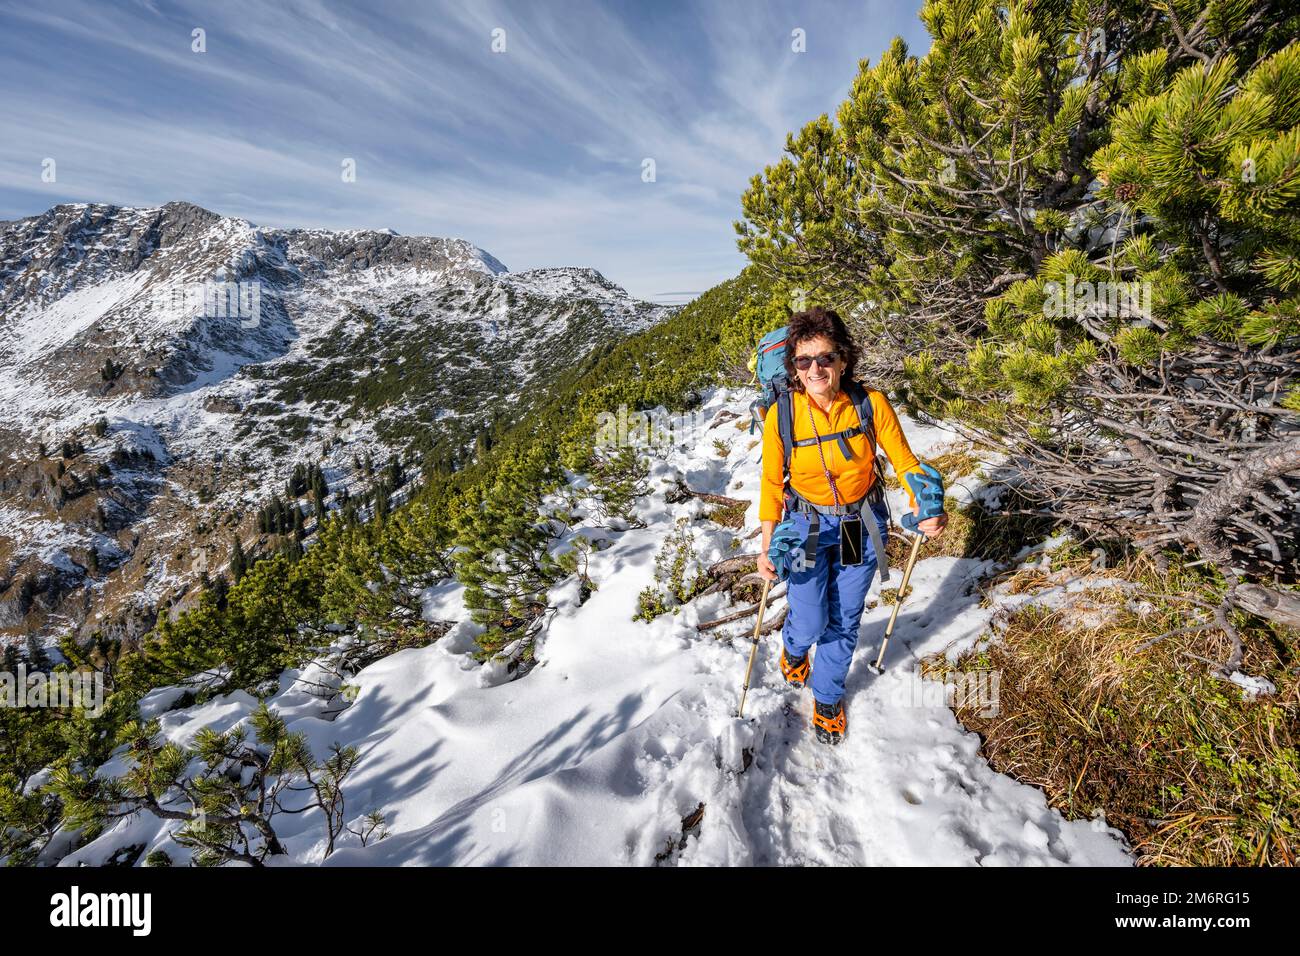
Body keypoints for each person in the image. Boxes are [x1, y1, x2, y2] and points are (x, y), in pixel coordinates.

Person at [756, 307, 947, 744]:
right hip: (804, 524)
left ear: (844, 359)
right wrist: (767, 545)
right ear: (794, 368)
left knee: (843, 618)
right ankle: (795, 646)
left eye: (825, 358)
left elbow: (905, 462)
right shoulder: (781, 416)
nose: (815, 369)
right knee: (807, 616)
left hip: (855, 524)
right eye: (804, 361)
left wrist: (927, 505)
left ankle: (826, 697)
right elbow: (770, 483)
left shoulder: (870, 404)